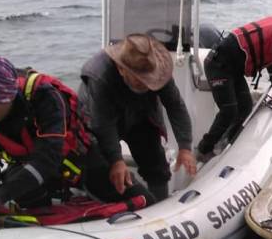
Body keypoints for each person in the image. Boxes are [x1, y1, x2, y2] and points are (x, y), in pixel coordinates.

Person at [0, 57, 154, 226]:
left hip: (76, 160)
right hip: (25, 166)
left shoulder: (44, 97)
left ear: (8, 97)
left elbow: (47, 159)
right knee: (22, 193)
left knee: (142, 198)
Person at [79, 33, 196, 202]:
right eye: (140, 80)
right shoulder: (99, 75)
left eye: (150, 79)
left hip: (140, 114)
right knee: (104, 172)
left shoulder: (158, 68)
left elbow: (175, 105)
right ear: (121, 69)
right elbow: (102, 123)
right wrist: (116, 160)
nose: (148, 83)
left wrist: (185, 146)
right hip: (99, 118)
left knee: (157, 166)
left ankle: (159, 207)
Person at [196, 16, 272, 162]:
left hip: (233, 69)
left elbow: (270, 60)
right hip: (218, 66)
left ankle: (228, 141)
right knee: (229, 110)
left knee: (245, 106)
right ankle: (203, 149)